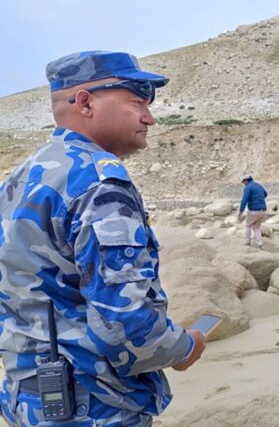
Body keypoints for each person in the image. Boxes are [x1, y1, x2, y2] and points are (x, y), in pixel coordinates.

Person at [0, 51, 205, 427]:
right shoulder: (97, 182)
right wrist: (184, 347)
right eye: (136, 102)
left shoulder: (22, 176)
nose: (149, 117)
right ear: (86, 103)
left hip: (28, 398)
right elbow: (125, 324)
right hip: (93, 406)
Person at [238, 174, 268, 248]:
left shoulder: (248, 187)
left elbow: (244, 200)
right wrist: (258, 199)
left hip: (254, 210)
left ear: (246, 180)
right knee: (256, 227)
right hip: (263, 210)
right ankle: (259, 244)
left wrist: (240, 211)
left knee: (247, 225)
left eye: (243, 182)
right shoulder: (259, 186)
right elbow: (265, 194)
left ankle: (247, 242)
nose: (243, 184)